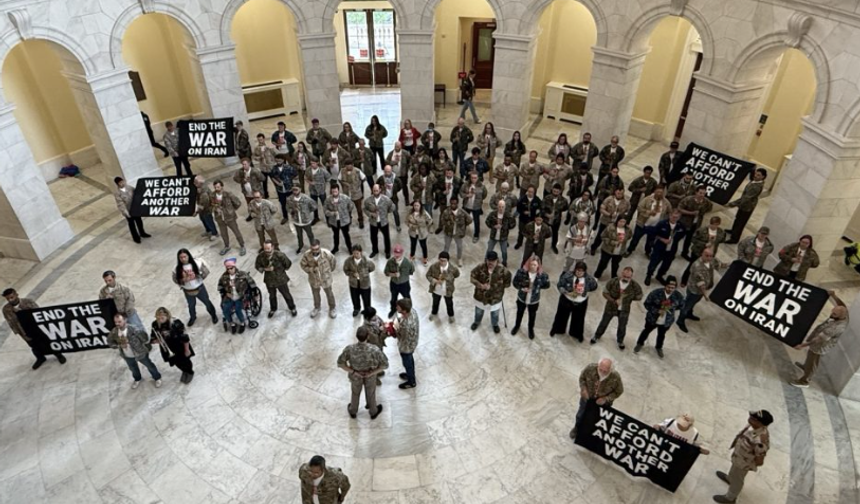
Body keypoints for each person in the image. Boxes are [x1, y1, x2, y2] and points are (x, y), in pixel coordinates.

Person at [790, 290, 848, 388]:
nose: (831, 314)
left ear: (840, 316)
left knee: (813, 362)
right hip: (818, 340)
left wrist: (803, 345)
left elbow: (819, 339)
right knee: (809, 358)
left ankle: (805, 381)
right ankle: (806, 367)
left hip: (820, 346)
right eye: (832, 311)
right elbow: (842, 305)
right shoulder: (844, 313)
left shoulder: (836, 328)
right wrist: (834, 296)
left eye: (834, 314)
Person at [713, 410, 772, 503]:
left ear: (760, 423)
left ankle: (730, 498)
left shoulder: (760, 441)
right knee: (733, 470)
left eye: (753, 418)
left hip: (744, 463)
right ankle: (730, 479)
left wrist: (747, 463)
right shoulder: (752, 426)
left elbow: (759, 461)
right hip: (738, 456)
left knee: (738, 479)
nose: (750, 418)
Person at [2, 288, 66, 369]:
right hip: (23, 330)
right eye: (8, 299)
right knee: (33, 345)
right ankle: (40, 358)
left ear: (16, 295)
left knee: (46, 341)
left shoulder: (28, 302)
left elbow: (39, 313)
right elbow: (10, 321)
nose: (10, 300)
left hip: (36, 327)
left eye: (12, 297)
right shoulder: (6, 309)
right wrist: (18, 332)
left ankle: (58, 354)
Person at [338, 326, 388, 419]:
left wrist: (353, 372)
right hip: (370, 376)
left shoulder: (350, 349)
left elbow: (341, 363)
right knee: (371, 393)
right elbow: (384, 365)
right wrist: (372, 373)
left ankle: (353, 411)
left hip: (356, 376)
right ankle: (373, 411)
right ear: (368, 336)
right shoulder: (375, 349)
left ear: (356, 336)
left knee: (355, 393)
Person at [569, 358, 624, 439]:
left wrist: (606, 399)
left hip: (603, 403)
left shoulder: (615, 377)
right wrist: (583, 389)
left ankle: (592, 432)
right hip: (587, 398)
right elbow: (582, 378)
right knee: (581, 415)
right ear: (598, 365)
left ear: (610, 369)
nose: (602, 372)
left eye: (605, 371)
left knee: (597, 418)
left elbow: (619, 391)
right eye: (600, 369)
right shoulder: (590, 368)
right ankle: (577, 428)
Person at [591, 267, 643, 349]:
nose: (626, 278)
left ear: (631, 276)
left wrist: (629, 298)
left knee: (622, 326)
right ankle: (597, 336)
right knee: (604, 323)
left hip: (624, 310)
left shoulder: (634, 285)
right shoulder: (613, 281)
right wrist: (613, 300)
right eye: (624, 276)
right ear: (621, 274)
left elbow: (639, 296)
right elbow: (605, 293)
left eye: (628, 277)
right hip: (610, 307)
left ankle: (620, 341)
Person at [634, 275, 685, 358]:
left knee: (661, 335)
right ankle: (640, 343)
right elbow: (647, 304)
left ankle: (659, 347)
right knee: (646, 331)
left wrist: (671, 310)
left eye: (673, 288)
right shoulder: (656, 293)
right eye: (669, 287)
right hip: (652, 319)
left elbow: (681, 305)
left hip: (666, 321)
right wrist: (657, 310)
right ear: (665, 285)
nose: (671, 289)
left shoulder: (678, 296)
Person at [108, 312, 162, 389]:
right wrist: (118, 345)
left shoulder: (134, 329)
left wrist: (133, 340)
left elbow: (145, 339)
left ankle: (157, 377)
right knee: (133, 368)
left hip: (140, 353)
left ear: (125, 320)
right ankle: (137, 379)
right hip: (127, 355)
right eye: (116, 322)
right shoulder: (114, 332)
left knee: (149, 365)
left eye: (119, 321)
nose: (117, 324)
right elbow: (110, 342)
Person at [677, 247, 725, 334]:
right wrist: (706, 295)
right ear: (701, 254)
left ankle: (689, 313)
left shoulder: (711, 261)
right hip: (694, 290)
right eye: (707, 256)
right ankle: (680, 320)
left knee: (694, 302)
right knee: (687, 304)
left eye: (711, 256)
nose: (709, 258)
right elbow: (700, 284)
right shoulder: (697, 266)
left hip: (702, 290)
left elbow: (720, 265)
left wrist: (733, 264)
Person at [551, 261, 598, 341]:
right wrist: (565, 292)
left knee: (579, 319)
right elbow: (560, 285)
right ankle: (557, 330)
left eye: (581, 271)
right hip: (567, 299)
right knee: (561, 316)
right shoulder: (567, 275)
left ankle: (576, 334)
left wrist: (585, 291)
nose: (579, 273)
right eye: (577, 270)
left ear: (584, 271)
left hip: (581, 302)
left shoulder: (589, 279)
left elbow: (594, 286)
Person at [172, 248, 219, 326]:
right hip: (187, 291)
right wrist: (184, 279)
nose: (183, 259)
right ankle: (193, 317)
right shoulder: (176, 268)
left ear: (188, 256)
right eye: (181, 257)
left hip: (199, 288)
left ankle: (213, 315)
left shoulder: (197, 263)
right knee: (191, 305)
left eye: (185, 256)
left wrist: (196, 276)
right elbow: (175, 279)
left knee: (207, 302)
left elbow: (206, 272)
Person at [470, 251, 512, 334]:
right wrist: (480, 285)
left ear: (497, 260)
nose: (490, 263)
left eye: (493, 261)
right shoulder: (480, 267)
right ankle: (476, 322)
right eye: (488, 261)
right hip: (481, 296)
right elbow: (472, 277)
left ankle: (495, 324)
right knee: (479, 311)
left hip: (495, 298)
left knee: (495, 313)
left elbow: (507, 284)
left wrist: (497, 287)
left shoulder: (503, 270)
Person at [150, 307, 195, 384]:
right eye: (158, 318)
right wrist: (156, 340)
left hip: (179, 346)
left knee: (185, 361)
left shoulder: (176, 323)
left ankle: (190, 372)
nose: (160, 320)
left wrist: (187, 349)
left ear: (167, 316)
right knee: (176, 362)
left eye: (162, 317)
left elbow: (185, 337)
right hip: (167, 349)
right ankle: (184, 371)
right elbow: (153, 337)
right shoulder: (155, 324)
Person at [626, 185, 671, 257]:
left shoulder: (665, 202)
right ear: (655, 191)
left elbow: (669, 211)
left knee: (650, 241)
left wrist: (664, 220)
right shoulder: (647, 199)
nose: (660, 194)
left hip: (655, 226)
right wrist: (649, 212)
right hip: (643, 224)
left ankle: (648, 251)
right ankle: (630, 250)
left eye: (661, 192)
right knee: (635, 238)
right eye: (658, 192)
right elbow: (639, 208)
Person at [255, 240, 297, 318]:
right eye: (265, 248)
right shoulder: (261, 256)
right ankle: (273, 308)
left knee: (286, 294)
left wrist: (279, 269)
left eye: (268, 248)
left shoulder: (280, 255)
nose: (266, 250)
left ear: (273, 247)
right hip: (269, 280)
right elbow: (257, 266)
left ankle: (292, 308)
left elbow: (288, 264)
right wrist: (264, 269)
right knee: (272, 295)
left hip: (280, 279)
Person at [511, 255, 550, 340]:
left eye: (535, 265)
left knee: (532, 315)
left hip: (534, 300)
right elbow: (514, 282)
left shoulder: (542, 275)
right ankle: (517, 326)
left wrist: (537, 287)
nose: (533, 267)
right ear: (528, 264)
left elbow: (547, 285)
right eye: (531, 264)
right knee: (519, 313)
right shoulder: (521, 272)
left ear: (538, 266)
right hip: (522, 297)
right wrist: (521, 288)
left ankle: (530, 329)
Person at [644, 209, 687, 286]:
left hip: (671, 249)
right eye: (673, 217)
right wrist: (662, 239)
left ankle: (660, 275)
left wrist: (674, 240)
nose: (674, 219)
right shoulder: (662, 224)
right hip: (660, 247)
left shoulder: (681, 226)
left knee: (666, 264)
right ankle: (649, 275)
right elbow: (654, 233)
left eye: (677, 217)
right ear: (670, 215)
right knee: (654, 262)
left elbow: (682, 235)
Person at [681, 216, 726, 287]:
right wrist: (704, 244)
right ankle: (684, 280)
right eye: (713, 224)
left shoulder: (720, 232)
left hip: (710, 253)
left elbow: (722, 240)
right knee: (692, 266)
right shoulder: (702, 230)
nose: (714, 226)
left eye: (716, 224)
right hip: (698, 252)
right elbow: (693, 239)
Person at [726, 168, 767, 244]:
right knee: (737, 219)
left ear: (763, 177)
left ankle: (734, 238)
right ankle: (733, 230)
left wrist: (731, 204)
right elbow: (751, 176)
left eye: (758, 175)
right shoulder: (755, 181)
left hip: (747, 207)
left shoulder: (756, 187)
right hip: (743, 205)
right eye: (756, 174)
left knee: (741, 223)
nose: (755, 176)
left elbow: (746, 199)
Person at [300, 239, 337, 319]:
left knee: (329, 293)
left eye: (317, 249)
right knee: (315, 294)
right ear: (310, 248)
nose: (315, 251)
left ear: (319, 247)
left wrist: (328, 272)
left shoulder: (326, 254)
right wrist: (311, 270)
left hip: (325, 279)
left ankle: (332, 308)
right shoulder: (306, 255)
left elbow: (333, 262)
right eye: (313, 249)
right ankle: (317, 307)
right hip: (314, 279)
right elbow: (303, 265)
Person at [217, 258, 254, 334]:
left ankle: (242, 323)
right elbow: (220, 287)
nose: (230, 270)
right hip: (229, 297)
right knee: (225, 310)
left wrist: (254, 294)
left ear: (234, 267)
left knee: (238, 310)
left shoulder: (242, 274)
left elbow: (252, 283)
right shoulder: (224, 277)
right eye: (228, 269)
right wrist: (225, 293)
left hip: (241, 297)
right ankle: (232, 323)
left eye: (231, 268)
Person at [211, 179, 247, 256]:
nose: (216, 189)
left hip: (230, 217)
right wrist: (215, 209)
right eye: (215, 187)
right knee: (223, 233)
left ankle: (242, 246)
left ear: (222, 187)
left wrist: (231, 210)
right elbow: (211, 205)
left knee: (236, 232)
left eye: (218, 187)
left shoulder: (228, 194)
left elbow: (238, 203)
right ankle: (226, 246)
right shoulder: (213, 195)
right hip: (220, 218)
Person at [590, 187, 630, 255]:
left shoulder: (626, 202)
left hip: (617, 224)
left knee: (614, 237)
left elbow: (627, 212)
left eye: (621, 193)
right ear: (615, 192)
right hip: (606, 221)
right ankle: (594, 247)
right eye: (618, 193)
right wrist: (609, 214)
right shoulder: (609, 199)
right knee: (600, 235)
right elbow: (601, 209)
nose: (619, 195)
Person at [678, 185, 713, 260]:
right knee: (677, 238)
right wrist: (691, 213)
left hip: (695, 224)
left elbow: (709, 208)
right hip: (684, 223)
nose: (702, 195)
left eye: (704, 193)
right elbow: (680, 208)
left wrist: (701, 213)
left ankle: (684, 253)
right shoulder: (688, 199)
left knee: (689, 239)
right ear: (696, 192)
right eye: (700, 193)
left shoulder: (706, 202)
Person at [113, 177, 150, 244]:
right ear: (117, 184)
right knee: (132, 224)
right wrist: (126, 213)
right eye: (120, 183)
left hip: (135, 208)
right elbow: (120, 204)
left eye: (122, 181)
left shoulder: (129, 188)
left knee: (139, 221)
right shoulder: (117, 193)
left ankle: (142, 233)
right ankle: (136, 238)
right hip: (128, 211)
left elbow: (137, 193)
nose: (122, 183)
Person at [393, 298, 419, 389]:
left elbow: (399, 335)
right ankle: (410, 374)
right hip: (413, 342)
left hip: (406, 347)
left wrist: (393, 329)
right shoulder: (412, 311)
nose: (396, 307)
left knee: (407, 363)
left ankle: (411, 382)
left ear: (404, 311)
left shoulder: (406, 325)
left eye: (398, 307)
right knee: (410, 360)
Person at [426, 251, 460, 323]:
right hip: (436, 290)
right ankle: (434, 313)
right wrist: (433, 280)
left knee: (449, 303)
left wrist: (449, 278)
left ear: (447, 260)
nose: (442, 262)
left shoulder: (453, 268)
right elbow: (428, 275)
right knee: (435, 303)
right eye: (440, 260)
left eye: (444, 261)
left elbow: (457, 274)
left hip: (447, 290)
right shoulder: (434, 266)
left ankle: (451, 315)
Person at [364, 184, 396, 258]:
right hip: (373, 222)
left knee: (386, 237)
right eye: (374, 191)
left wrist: (386, 212)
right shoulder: (368, 200)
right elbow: (365, 209)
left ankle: (387, 252)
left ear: (380, 190)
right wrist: (371, 214)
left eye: (377, 190)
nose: (375, 192)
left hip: (384, 222)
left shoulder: (386, 199)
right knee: (373, 237)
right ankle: (375, 250)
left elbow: (393, 206)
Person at [342, 244, 375, 317]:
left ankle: (367, 310)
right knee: (355, 297)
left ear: (361, 252)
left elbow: (372, 268)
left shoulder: (367, 261)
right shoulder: (348, 261)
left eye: (357, 253)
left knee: (366, 298)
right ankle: (356, 308)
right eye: (354, 253)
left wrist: (364, 273)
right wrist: (352, 274)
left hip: (365, 283)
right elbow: (346, 270)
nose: (355, 255)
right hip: (354, 283)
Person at [323, 183, 355, 254]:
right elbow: (325, 210)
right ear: (331, 191)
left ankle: (350, 248)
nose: (334, 193)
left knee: (346, 235)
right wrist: (332, 213)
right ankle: (336, 247)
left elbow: (351, 205)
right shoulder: (328, 200)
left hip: (344, 220)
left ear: (338, 190)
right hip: (334, 221)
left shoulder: (345, 198)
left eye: (336, 191)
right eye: (333, 191)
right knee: (335, 235)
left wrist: (346, 213)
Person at [440, 197, 472, 267]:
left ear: (457, 203)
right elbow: (442, 220)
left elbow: (469, 219)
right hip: (448, 232)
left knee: (459, 246)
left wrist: (463, 226)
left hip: (458, 233)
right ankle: (445, 258)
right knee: (447, 246)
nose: (453, 205)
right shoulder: (446, 211)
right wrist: (447, 224)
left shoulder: (462, 212)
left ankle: (459, 258)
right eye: (452, 203)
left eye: (455, 203)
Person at [385, 244, 414, 318]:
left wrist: (404, 277)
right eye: (395, 253)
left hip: (404, 284)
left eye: (399, 253)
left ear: (402, 253)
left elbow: (411, 271)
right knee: (393, 298)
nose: (397, 255)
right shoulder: (390, 262)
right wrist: (393, 275)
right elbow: (386, 272)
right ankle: (393, 310)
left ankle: (408, 311)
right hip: (394, 283)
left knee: (407, 298)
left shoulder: (408, 262)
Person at [286, 183, 317, 254]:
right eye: (293, 190)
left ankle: (313, 247)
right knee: (299, 235)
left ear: (300, 189)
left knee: (310, 235)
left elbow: (314, 206)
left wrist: (307, 212)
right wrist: (292, 211)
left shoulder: (306, 198)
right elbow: (287, 208)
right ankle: (300, 246)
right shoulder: (289, 199)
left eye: (296, 190)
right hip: (296, 221)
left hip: (306, 221)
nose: (294, 192)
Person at [486, 199, 517, 268]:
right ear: (497, 206)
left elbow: (513, 224)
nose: (501, 208)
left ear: (505, 207)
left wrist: (505, 227)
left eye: (502, 207)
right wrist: (493, 226)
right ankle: (486, 261)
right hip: (493, 236)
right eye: (499, 206)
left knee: (504, 251)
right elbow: (487, 222)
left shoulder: (508, 215)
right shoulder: (493, 214)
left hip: (503, 237)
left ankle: (504, 262)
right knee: (489, 250)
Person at [460, 170, 487, 243]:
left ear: (478, 178)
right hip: (466, 205)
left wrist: (479, 200)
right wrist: (467, 195)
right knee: (464, 219)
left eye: (475, 178)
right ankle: (462, 231)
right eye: (472, 178)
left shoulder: (482, 186)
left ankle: (476, 235)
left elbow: (484, 195)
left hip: (476, 207)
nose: (473, 179)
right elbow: (461, 193)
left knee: (476, 221)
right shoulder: (465, 184)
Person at [433, 166, 462, 233]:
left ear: (453, 173)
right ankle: (440, 227)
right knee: (442, 214)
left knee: (453, 215)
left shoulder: (457, 180)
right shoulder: (441, 179)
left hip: (453, 201)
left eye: (450, 173)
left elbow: (462, 189)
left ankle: (451, 228)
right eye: (447, 173)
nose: (448, 174)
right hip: (443, 200)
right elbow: (435, 188)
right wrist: (442, 192)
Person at [338, 162, 367, 229]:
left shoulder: (357, 171)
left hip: (356, 193)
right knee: (348, 208)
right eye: (347, 165)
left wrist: (358, 184)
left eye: (349, 165)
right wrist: (344, 184)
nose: (348, 167)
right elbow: (339, 179)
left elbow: (364, 178)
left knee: (359, 209)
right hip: (347, 193)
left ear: (352, 165)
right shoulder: (342, 171)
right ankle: (348, 220)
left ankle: (361, 221)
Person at [542, 183, 569, 254]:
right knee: (543, 232)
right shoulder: (546, 198)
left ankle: (554, 246)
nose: (555, 193)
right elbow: (541, 208)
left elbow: (565, 208)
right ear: (552, 190)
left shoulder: (563, 200)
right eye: (554, 191)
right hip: (546, 219)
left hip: (556, 220)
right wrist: (546, 214)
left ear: (560, 191)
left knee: (555, 233)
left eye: (557, 192)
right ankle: (540, 245)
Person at [270, 156, 297, 223]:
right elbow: (272, 176)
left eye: (279, 161)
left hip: (289, 188)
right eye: (277, 161)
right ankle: (285, 217)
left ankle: (294, 215)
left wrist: (289, 180)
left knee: (292, 203)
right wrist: (277, 183)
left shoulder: (288, 167)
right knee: (283, 204)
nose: (278, 162)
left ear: (282, 160)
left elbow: (295, 174)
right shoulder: (274, 168)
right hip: (280, 190)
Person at [376, 165, 403, 232]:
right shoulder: (381, 178)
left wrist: (395, 191)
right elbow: (377, 185)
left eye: (388, 171)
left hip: (393, 198)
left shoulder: (396, 179)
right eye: (386, 171)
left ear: (391, 171)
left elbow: (400, 186)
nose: (387, 173)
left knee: (395, 212)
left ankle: (398, 225)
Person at [406, 200, 433, 264]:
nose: (416, 207)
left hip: (422, 232)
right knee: (413, 245)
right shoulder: (410, 212)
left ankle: (425, 257)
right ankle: (412, 256)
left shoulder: (424, 213)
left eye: (417, 205)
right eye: (415, 205)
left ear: (420, 206)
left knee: (423, 246)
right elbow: (406, 221)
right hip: (413, 232)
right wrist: (412, 226)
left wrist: (425, 225)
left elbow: (430, 220)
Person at [193, 175, 218, 240]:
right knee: (203, 219)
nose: (194, 183)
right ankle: (208, 230)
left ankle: (214, 233)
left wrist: (197, 212)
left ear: (200, 184)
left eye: (196, 182)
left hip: (206, 209)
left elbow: (203, 205)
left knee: (209, 220)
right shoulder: (199, 188)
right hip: (202, 208)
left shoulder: (204, 193)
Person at [307, 160, 332, 224]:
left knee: (325, 205)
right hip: (313, 191)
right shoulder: (308, 170)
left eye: (313, 163)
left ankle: (328, 219)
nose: (312, 165)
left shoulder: (323, 171)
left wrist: (322, 184)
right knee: (314, 205)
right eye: (311, 163)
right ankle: (316, 218)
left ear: (317, 163)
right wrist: (310, 182)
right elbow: (306, 177)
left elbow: (328, 178)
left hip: (321, 191)